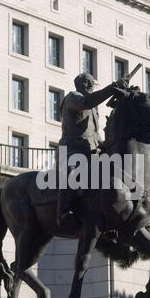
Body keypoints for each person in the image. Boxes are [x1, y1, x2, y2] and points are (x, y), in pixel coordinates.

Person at [57, 72, 128, 227]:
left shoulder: (93, 108)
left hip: (92, 152)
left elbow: (94, 134)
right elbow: (87, 101)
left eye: (91, 83)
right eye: (88, 83)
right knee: (73, 170)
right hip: (72, 150)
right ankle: (63, 211)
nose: (90, 86)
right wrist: (113, 88)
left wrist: (107, 145)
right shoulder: (73, 98)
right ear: (80, 84)